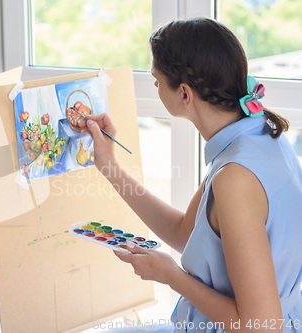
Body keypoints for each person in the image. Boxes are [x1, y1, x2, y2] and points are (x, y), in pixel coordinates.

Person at [79, 18, 302, 332]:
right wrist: (111, 169)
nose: (154, 87)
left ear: (185, 94)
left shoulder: (235, 177)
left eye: (157, 81)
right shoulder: (259, 134)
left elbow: (261, 326)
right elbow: (185, 232)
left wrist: (171, 276)